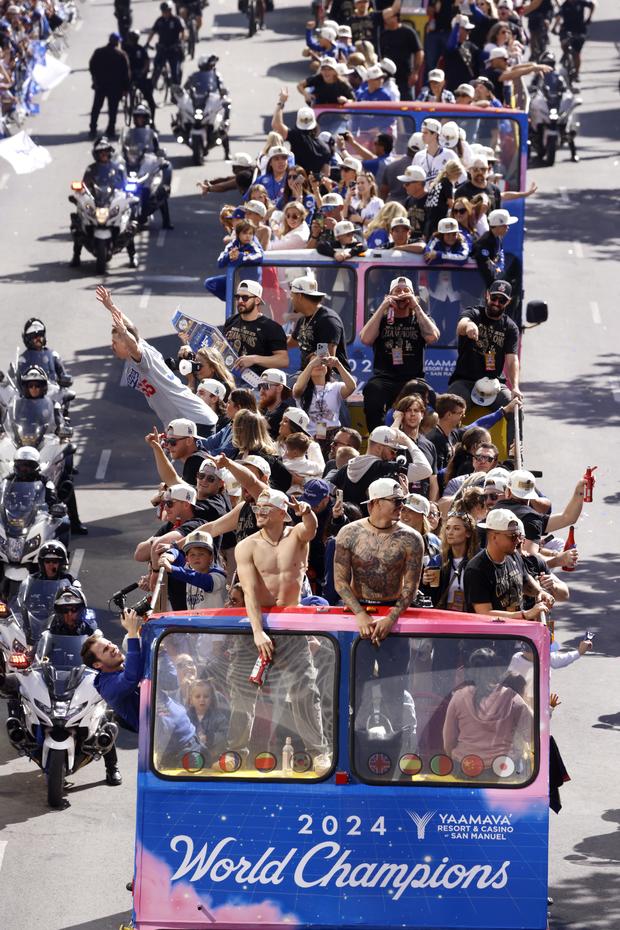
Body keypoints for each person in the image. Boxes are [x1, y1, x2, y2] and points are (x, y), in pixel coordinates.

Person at [228, 487, 331, 773]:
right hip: (258, 623)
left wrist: (307, 511)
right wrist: (257, 631)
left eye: (265, 508)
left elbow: (309, 528)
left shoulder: (296, 536)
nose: (259, 512)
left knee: (304, 689)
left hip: (290, 624)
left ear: (282, 512)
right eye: (257, 508)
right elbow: (248, 591)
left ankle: (318, 751)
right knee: (241, 689)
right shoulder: (246, 545)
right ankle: (235, 752)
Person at [95, 285, 217, 432]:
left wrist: (123, 331)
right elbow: (131, 327)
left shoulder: (143, 359)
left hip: (195, 421)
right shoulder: (138, 347)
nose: (111, 346)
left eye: (115, 342)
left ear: (126, 344)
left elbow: (132, 342)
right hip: (179, 423)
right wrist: (111, 306)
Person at [334, 477, 424, 638]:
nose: (402, 506)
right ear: (376, 502)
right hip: (357, 610)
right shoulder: (349, 533)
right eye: (396, 501)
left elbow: (411, 585)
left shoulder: (411, 538)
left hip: (393, 611)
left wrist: (391, 618)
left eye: (402, 500)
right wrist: (360, 614)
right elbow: (340, 581)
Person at [360, 275, 439, 430]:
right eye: (397, 291)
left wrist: (416, 306)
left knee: (431, 395)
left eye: (406, 291)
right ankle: (377, 436)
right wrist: (383, 306)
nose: (401, 294)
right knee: (372, 390)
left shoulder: (422, 318)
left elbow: (433, 337)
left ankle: (422, 439)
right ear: (388, 296)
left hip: (412, 378)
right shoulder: (380, 318)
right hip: (385, 377)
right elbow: (365, 339)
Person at [442, 647, 534, 775]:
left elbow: (448, 741)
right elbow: (532, 736)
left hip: (464, 768)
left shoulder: (458, 697)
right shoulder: (512, 698)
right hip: (503, 770)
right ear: (496, 670)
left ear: (470, 671)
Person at [448, 280, 521, 431]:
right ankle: (447, 451)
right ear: (487, 295)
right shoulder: (474, 313)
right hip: (465, 381)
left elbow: (512, 359)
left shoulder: (510, 327)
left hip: (494, 383)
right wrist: (469, 326)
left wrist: (515, 387)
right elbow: (461, 325)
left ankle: (514, 453)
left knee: (515, 408)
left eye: (502, 300)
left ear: (508, 302)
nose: (496, 303)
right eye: (494, 298)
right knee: (449, 409)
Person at [463, 509, 553, 620]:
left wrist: (540, 592)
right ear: (494, 537)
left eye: (519, 535)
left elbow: (525, 580)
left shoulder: (513, 555)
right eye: (513, 536)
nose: (518, 540)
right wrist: (525, 615)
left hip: (517, 634)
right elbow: (484, 614)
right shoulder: (476, 570)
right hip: (495, 636)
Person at [331, 425, 432, 513]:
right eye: (392, 451)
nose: (394, 456)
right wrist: (408, 441)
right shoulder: (386, 468)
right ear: (379, 448)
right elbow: (426, 469)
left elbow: (330, 493)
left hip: (350, 527)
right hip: (375, 529)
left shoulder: (346, 468)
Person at [81, 608, 143, 739]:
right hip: (163, 740)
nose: (113, 648)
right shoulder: (108, 688)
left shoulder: (125, 667)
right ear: (97, 665)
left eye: (110, 644)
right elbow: (130, 678)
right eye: (106, 649)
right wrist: (132, 632)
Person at [222, 280, 289, 376]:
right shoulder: (231, 321)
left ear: (257, 300)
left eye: (245, 298)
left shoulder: (271, 328)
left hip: (257, 382)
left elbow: (283, 360)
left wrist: (254, 359)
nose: (240, 301)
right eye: (237, 297)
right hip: (229, 376)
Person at [287, 272, 349, 370]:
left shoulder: (328, 321)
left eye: (292, 295)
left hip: (329, 378)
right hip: (308, 374)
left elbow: (325, 360)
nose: (291, 299)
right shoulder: (303, 320)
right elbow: (290, 342)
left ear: (299, 296)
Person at [292, 354, 356, 441]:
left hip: (333, 436)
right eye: (315, 363)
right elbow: (297, 389)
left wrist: (338, 365)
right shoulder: (302, 387)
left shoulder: (335, 386)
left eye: (322, 363)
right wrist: (311, 365)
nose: (319, 365)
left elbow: (351, 387)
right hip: (309, 438)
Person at [158, 530, 227, 609]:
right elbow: (177, 553)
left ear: (211, 557)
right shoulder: (189, 571)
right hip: (196, 620)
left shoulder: (218, 576)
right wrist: (170, 554)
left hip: (216, 621)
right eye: (192, 555)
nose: (196, 557)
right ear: (187, 559)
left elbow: (198, 579)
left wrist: (171, 569)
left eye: (201, 554)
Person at [271, 89, 331, 176]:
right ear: (314, 123)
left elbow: (276, 125)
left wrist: (282, 101)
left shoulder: (296, 137)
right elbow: (326, 173)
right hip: (314, 188)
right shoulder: (325, 147)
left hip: (294, 184)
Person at [88, 33, 130, 139]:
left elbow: (92, 66)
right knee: (112, 109)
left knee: (96, 107)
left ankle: (93, 128)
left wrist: (95, 79)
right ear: (117, 42)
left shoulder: (99, 52)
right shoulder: (121, 54)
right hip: (115, 88)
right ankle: (111, 129)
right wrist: (126, 88)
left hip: (100, 85)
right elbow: (126, 73)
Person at [379, 9, 424, 100]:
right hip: (387, 77)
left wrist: (415, 72)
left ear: (396, 17)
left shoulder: (408, 32)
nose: (386, 20)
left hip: (405, 77)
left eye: (389, 17)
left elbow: (419, 52)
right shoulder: (383, 35)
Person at [17, 319, 73, 389]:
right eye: (34, 336)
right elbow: (15, 379)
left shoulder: (53, 355)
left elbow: (63, 374)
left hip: (52, 394)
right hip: (30, 394)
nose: (38, 339)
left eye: (40, 335)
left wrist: (64, 380)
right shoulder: (23, 359)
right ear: (27, 338)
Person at [471, 207, 518, 286]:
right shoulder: (485, 242)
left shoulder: (497, 238)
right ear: (498, 226)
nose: (508, 227)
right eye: (505, 225)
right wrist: (493, 285)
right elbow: (484, 266)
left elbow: (499, 256)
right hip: (478, 285)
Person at [552, 0, 595, 78]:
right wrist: (554, 27)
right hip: (566, 30)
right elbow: (559, 16)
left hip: (579, 30)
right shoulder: (565, 5)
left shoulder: (581, 2)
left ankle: (576, 73)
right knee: (564, 43)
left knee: (576, 53)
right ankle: (566, 55)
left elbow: (592, 5)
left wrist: (589, 17)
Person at [147, 1, 185, 87]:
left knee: (175, 72)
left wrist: (181, 43)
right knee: (156, 69)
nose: (165, 13)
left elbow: (183, 32)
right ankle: (151, 89)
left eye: (167, 11)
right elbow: (152, 32)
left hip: (173, 49)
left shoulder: (176, 20)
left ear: (170, 10)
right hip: (162, 48)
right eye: (163, 11)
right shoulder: (159, 21)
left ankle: (175, 92)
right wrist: (147, 43)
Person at [122, 30, 157, 121]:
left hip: (140, 77)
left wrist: (142, 72)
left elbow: (147, 62)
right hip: (128, 78)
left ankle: (151, 121)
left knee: (151, 102)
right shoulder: (124, 49)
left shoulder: (141, 50)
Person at [412, 117, 454, 184]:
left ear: (435, 134)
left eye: (425, 133)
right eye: (422, 132)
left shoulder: (449, 154)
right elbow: (412, 179)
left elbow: (461, 177)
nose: (422, 135)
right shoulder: (418, 156)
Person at [256, 368, 296, 439]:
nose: (261, 391)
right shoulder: (263, 409)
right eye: (260, 386)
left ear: (279, 388)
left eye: (265, 386)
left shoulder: (286, 414)